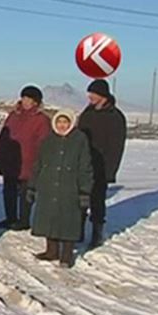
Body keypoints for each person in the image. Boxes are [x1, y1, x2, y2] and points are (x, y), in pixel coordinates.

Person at [29, 109, 93, 268]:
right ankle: (51, 250)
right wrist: (32, 186)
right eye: (59, 122)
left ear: (71, 123)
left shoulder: (80, 140)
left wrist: (85, 190)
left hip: (70, 187)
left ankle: (66, 255)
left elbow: (85, 166)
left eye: (65, 122)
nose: (62, 126)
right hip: (48, 185)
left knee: (68, 220)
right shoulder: (48, 140)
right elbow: (38, 163)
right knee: (50, 218)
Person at [0, 86, 51, 230]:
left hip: (29, 161)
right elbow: (3, 137)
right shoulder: (13, 116)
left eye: (29, 98)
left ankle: (24, 220)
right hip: (10, 160)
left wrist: (41, 162)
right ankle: (10, 217)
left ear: (36, 102)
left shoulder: (41, 120)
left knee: (26, 192)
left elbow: (44, 143)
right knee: (8, 190)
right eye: (23, 97)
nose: (25, 101)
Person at [77, 79, 127, 249]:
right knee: (80, 198)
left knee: (97, 201)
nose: (90, 96)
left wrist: (110, 171)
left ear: (103, 96)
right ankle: (78, 231)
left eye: (93, 94)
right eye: (89, 93)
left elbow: (116, 147)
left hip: (102, 167)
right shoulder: (87, 113)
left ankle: (97, 234)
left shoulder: (115, 117)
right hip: (84, 164)